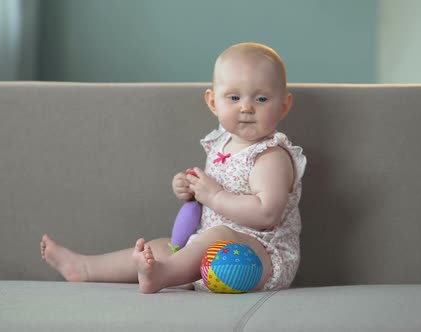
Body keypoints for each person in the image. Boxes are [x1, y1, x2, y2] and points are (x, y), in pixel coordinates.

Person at [40, 42, 306, 293]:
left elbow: (266, 214)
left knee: (216, 236)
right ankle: (86, 268)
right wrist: (191, 190)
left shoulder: (270, 157)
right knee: (165, 247)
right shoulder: (220, 143)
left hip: (259, 260)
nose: (246, 107)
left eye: (261, 99)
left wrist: (213, 196)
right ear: (213, 102)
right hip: (208, 255)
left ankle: (163, 275)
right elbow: (211, 195)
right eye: (234, 97)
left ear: (283, 106)